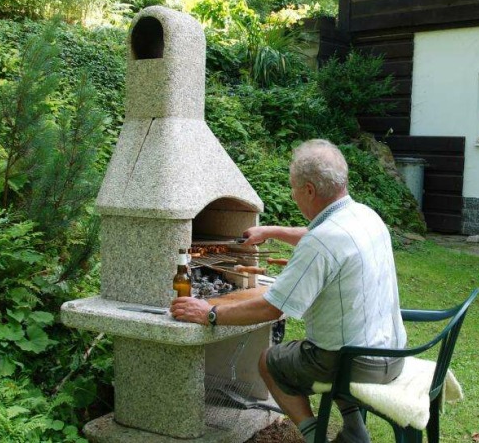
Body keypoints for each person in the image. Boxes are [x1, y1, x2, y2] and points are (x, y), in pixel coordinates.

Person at [170, 139, 407, 443]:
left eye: (293, 189)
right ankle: (354, 433)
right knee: (334, 348)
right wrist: (271, 232)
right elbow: (319, 234)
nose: (293, 195)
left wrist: (211, 313)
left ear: (309, 190)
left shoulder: (321, 243)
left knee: (271, 361)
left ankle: (315, 437)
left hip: (354, 364)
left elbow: (272, 307)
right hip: (391, 353)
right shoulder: (365, 216)